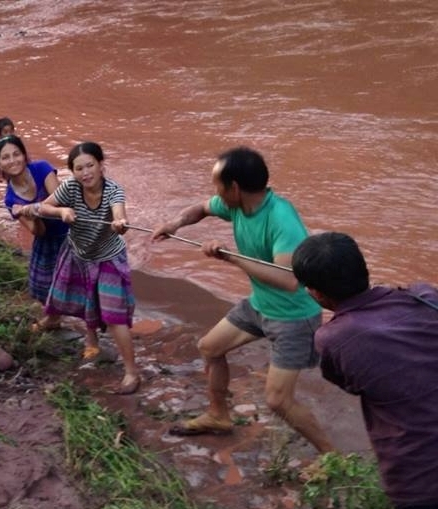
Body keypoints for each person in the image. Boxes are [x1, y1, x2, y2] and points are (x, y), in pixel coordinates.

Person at [151, 147, 333, 452]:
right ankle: (218, 416)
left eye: (217, 185)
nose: (215, 192)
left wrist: (230, 257)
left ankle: (333, 458)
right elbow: (200, 208)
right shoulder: (234, 205)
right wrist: (175, 224)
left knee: (278, 401)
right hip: (260, 305)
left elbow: (290, 280)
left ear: (234, 187)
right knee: (210, 347)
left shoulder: (281, 218)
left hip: (293, 317)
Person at [292, 232, 438, 509]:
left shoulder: (333, 338)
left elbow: (349, 383)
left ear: (317, 293)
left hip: (420, 479)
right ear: (365, 269)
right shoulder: (425, 295)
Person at [37, 141, 140, 395]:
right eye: (79, 168)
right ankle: (81, 334)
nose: (85, 173)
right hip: (78, 253)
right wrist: (61, 212)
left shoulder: (113, 191)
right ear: (72, 172)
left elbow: (120, 215)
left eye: (90, 165)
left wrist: (120, 223)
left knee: (114, 317)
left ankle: (131, 372)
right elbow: (43, 207)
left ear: (101, 165)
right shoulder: (71, 188)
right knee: (79, 298)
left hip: (108, 258)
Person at [0, 135, 68, 328]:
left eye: (16, 154)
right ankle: (54, 319)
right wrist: (33, 217)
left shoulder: (42, 168)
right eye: (5, 157)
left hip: (70, 233)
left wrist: (33, 208)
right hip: (47, 239)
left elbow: (60, 200)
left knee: (78, 283)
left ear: (25, 155)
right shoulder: (11, 199)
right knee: (40, 284)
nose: (12, 160)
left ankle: (92, 330)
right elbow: (39, 231)